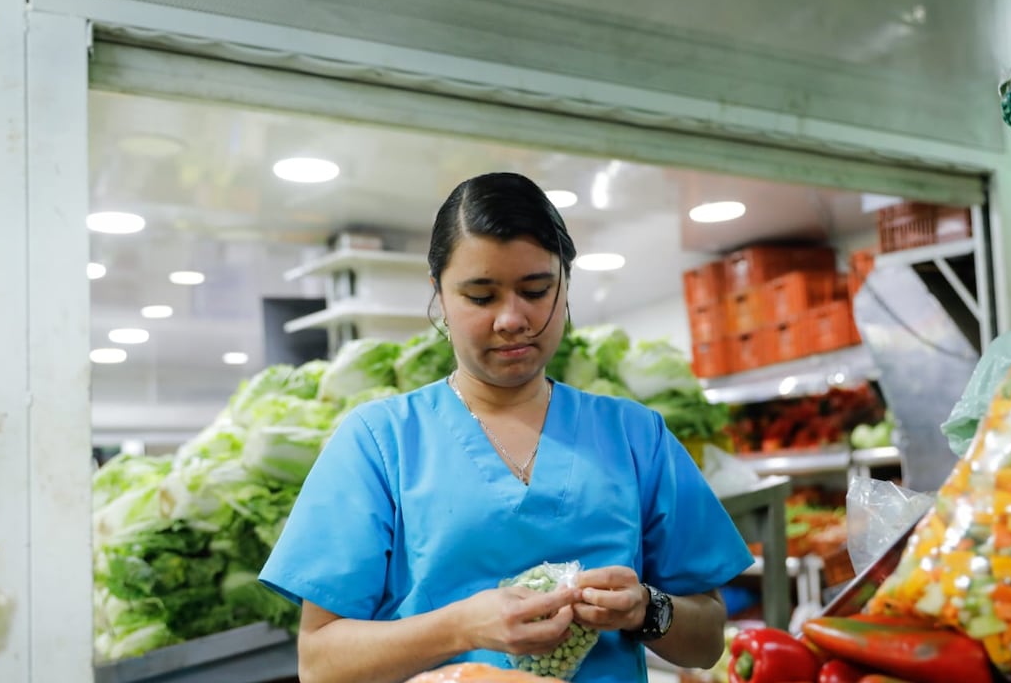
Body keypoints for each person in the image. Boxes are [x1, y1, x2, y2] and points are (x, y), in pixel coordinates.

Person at [260, 172, 752, 683]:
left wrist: (647, 609)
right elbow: (319, 663)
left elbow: (706, 640)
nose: (512, 319)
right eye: (480, 296)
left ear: (564, 285)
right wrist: (460, 627)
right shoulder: (380, 442)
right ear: (440, 297)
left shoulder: (636, 437)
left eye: (536, 290)